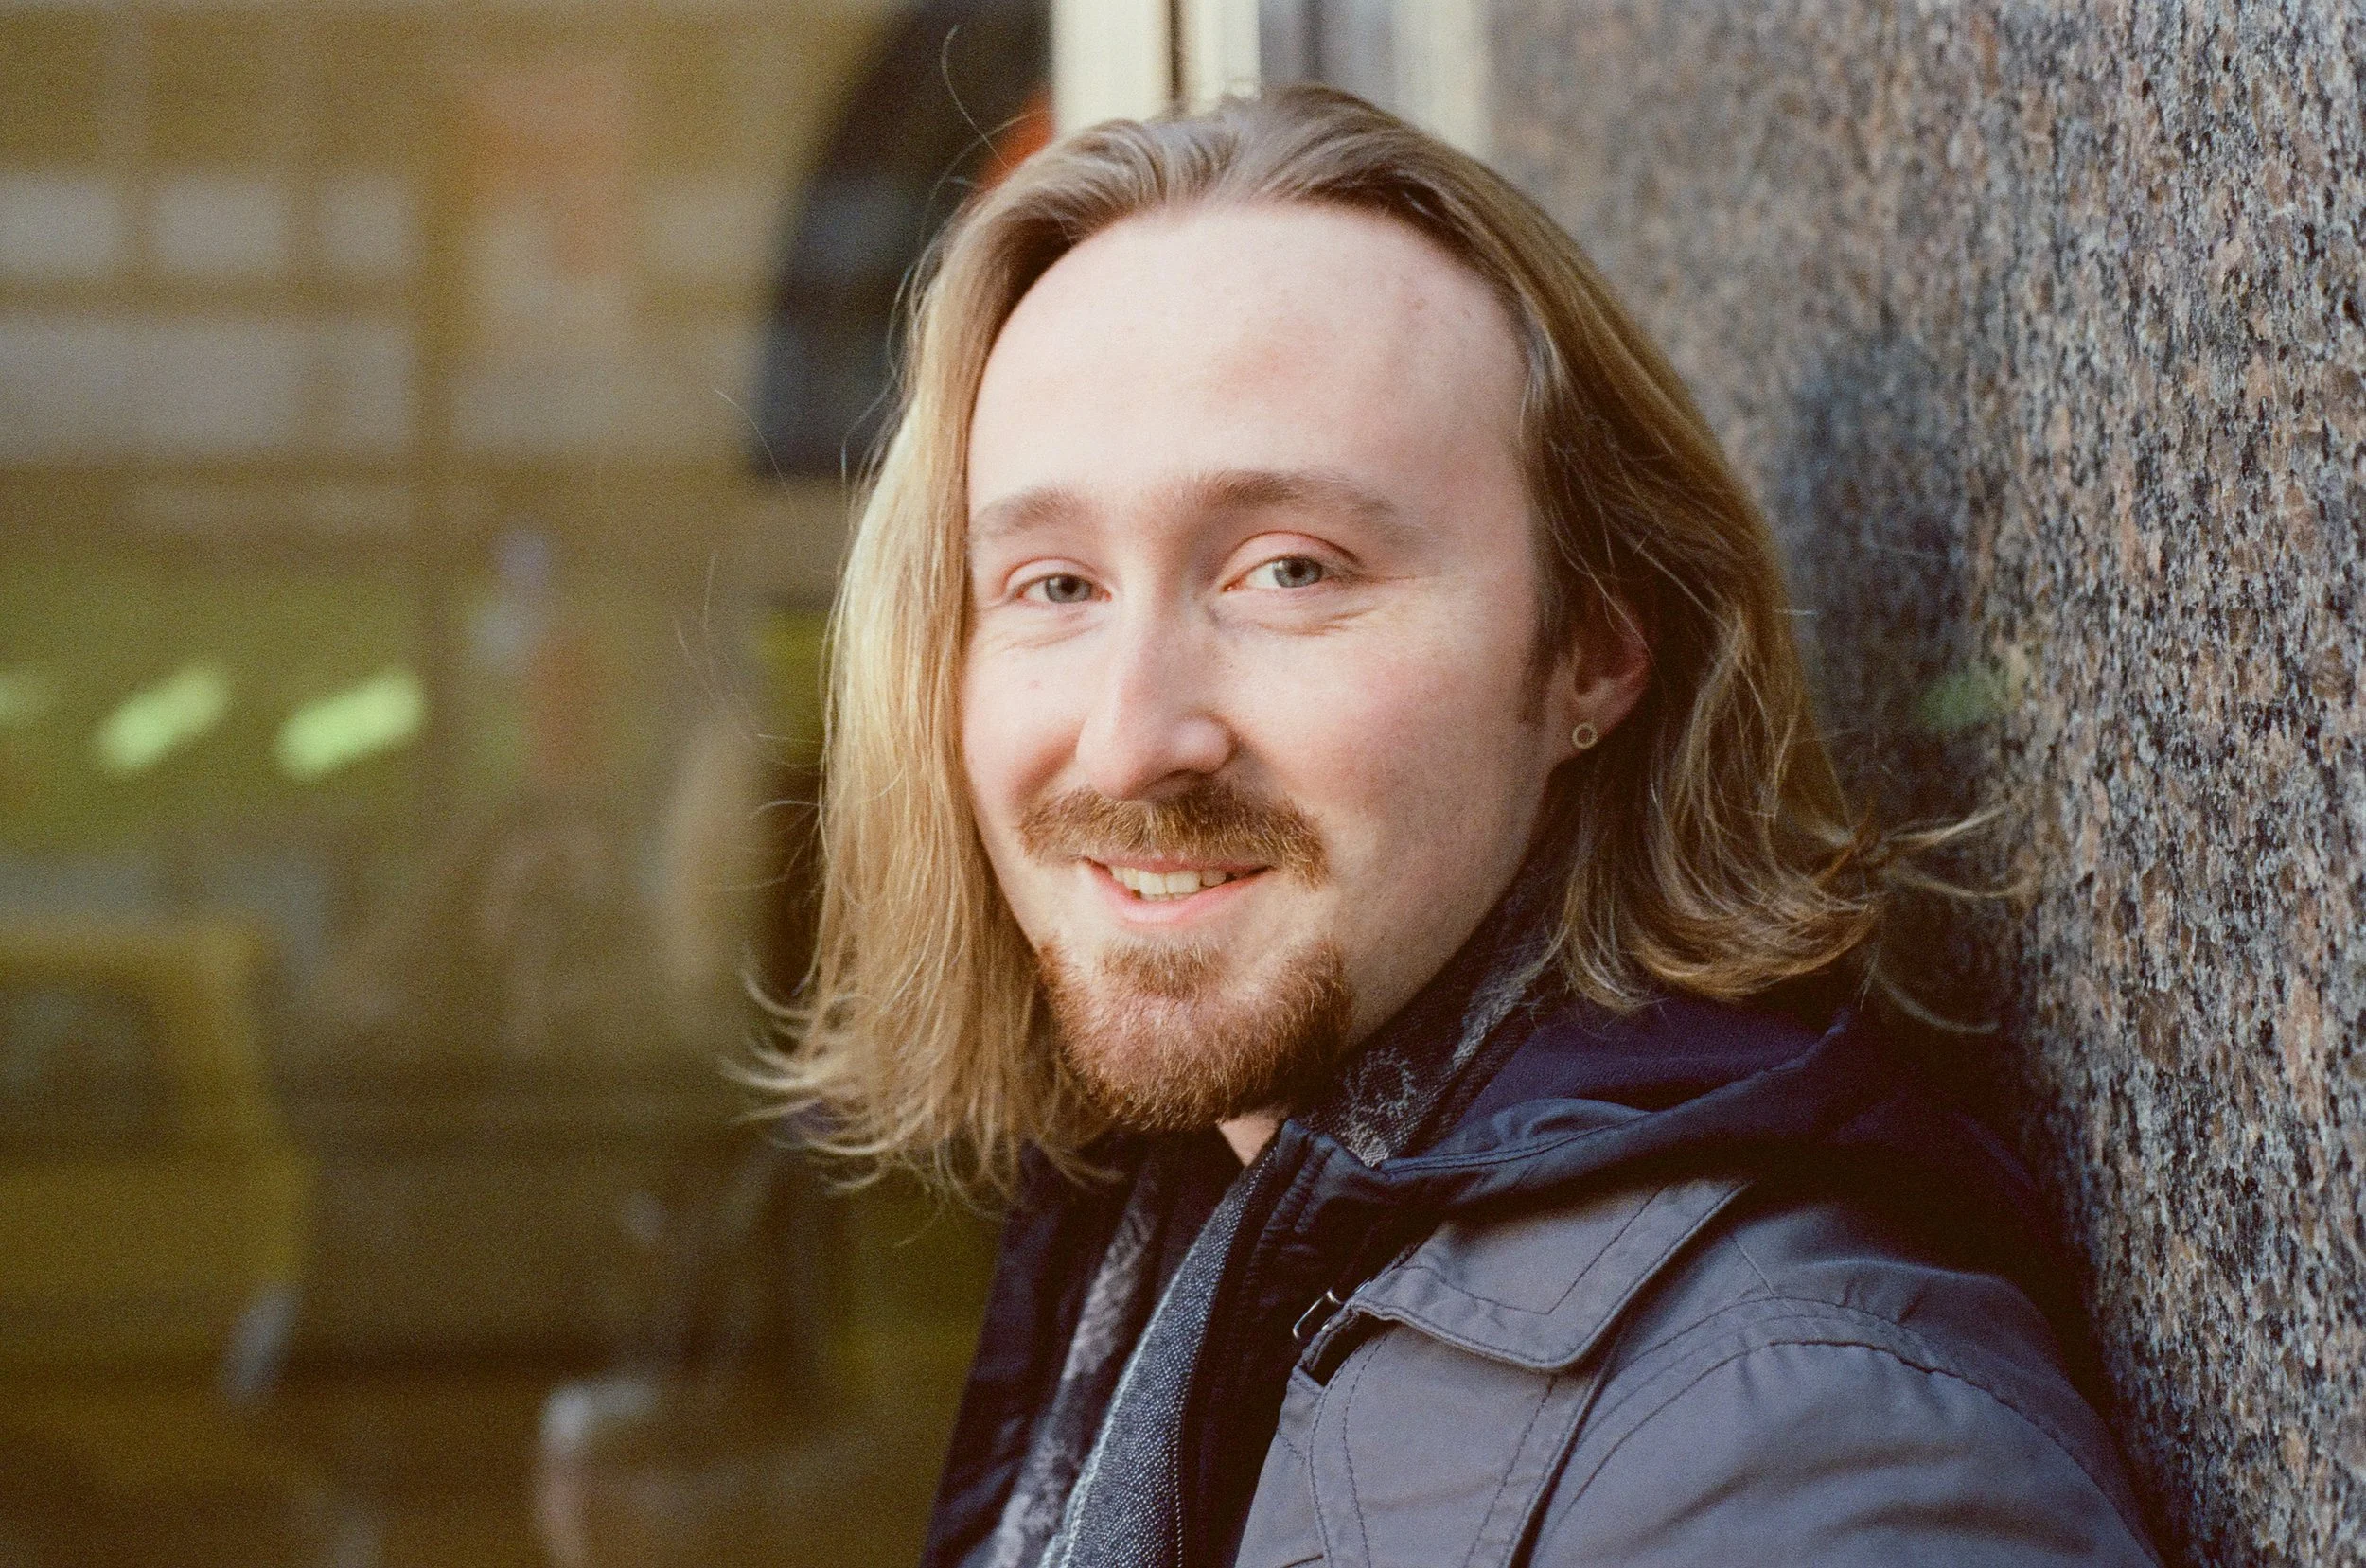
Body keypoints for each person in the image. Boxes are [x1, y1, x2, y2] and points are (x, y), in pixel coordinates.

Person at [762, 85, 2163, 1568]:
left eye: (1290, 570)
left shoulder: (1788, 1441)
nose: (1128, 737)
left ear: (1592, 653)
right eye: (1054, 586)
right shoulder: (1178, 1236)